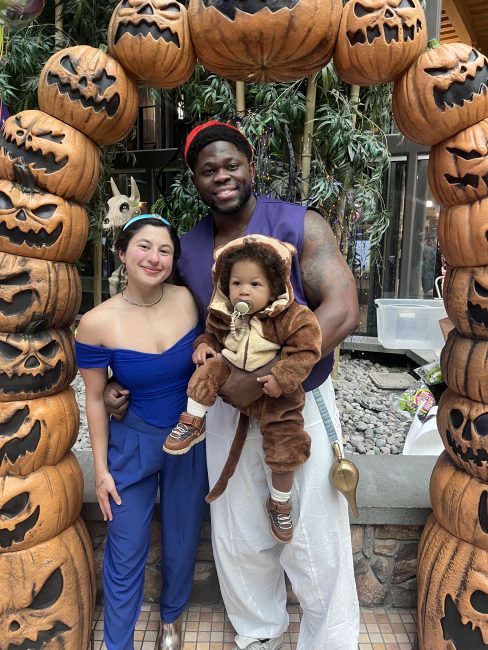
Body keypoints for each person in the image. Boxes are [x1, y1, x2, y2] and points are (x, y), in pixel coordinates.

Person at [105, 121, 360, 650]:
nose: (221, 176)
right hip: (225, 407)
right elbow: (163, 320)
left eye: (230, 165)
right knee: (239, 533)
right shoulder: (190, 248)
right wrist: (116, 380)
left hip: (296, 400)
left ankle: (331, 642)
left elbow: (342, 309)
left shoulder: (300, 224)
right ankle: (259, 636)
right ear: (195, 180)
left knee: (313, 537)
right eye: (208, 170)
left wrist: (265, 380)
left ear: (250, 166)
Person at [76, 214, 208, 650]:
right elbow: (97, 399)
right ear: (122, 253)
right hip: (132, 442)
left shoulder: (189, 300)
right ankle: (118, 642)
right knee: (126, 543)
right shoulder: (96, 322)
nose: (154, 258)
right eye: (144, 247)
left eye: (165, 250)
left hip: (188, 438)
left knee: (182, 534)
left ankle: (171, 617)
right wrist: (101, 471)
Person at [164, 234, 322, 544]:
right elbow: (210, 336)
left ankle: (280, 501)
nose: (243, 290)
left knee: (285, 441)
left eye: (255, 284)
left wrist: (281, 378)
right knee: (208, 370)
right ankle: (193, 420)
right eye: (236, 283)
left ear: (274, 286)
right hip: (231, 376)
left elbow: (306, 350)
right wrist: (203, 346)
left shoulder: (292, 317)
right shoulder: (223, 314)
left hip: (276, 394)